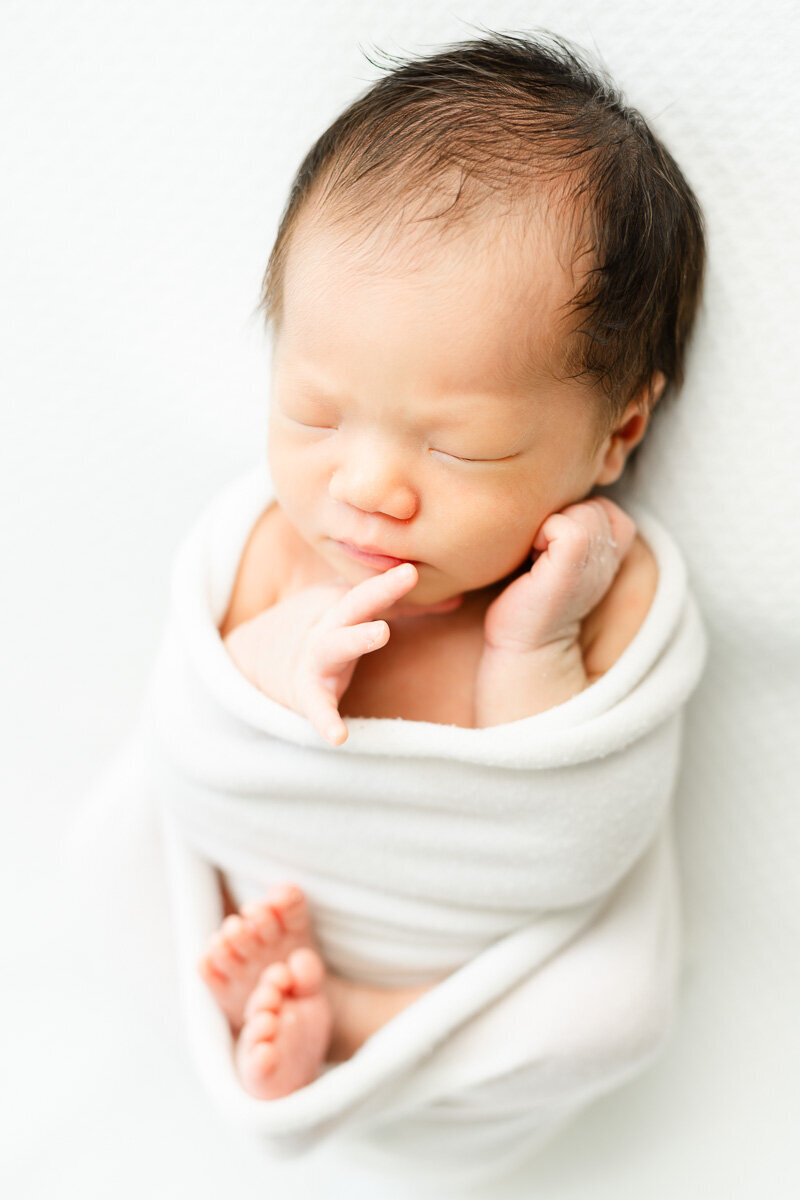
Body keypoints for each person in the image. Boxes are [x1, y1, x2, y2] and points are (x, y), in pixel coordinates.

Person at [194, 30, 705, 1102]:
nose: (367, 487)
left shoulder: (604, 589)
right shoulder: (273, 548)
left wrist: (537, 645)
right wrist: (276, 653)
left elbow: (578, 836)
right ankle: (312, 1013)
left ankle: (370, 1027)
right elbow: (197, 738)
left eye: (457, 447)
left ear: (615, 435)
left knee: (615, 1011)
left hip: (486, 959)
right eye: (314, 412)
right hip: (298, 887)